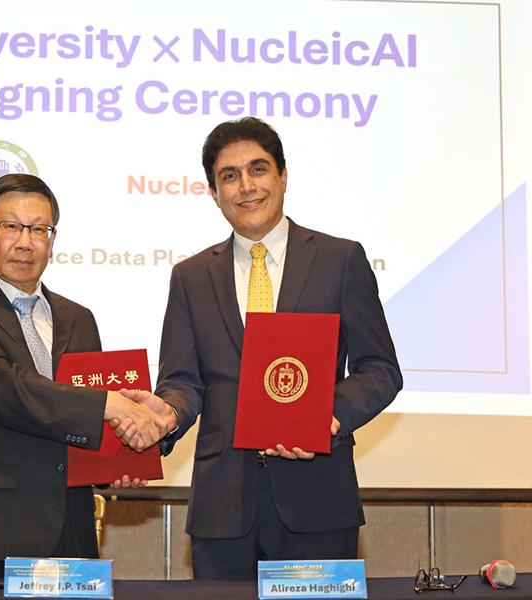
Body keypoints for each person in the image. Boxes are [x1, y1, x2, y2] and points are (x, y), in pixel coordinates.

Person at [117, 117, 402, 580]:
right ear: (214, 192)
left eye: (258, 169)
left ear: (283, 176)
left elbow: (380, 369)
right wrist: (167, 414)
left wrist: (327, 416)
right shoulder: (191, 277)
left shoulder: (340, 260)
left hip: (318, 499)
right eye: (229, 176)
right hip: (222, 506)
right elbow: (182, 381)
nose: (246, 186)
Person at [0, 173, 168, 578]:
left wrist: (116, 461)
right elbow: (0, 387)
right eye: (11, 226)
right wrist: (108, 405)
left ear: (52, 240)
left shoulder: (78, 319)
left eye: (39, 229)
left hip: (71, 535)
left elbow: (81, 422)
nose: (25, 242)